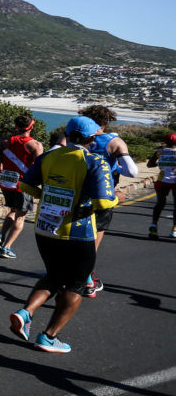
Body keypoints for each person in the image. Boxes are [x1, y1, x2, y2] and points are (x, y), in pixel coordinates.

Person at [9, 116, 116, 354]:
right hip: (77, 231)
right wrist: (117, 199)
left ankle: (25, 313)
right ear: (91, 139)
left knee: (54, 276)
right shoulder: (95, 161)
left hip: (45, 227)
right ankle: (49, 337)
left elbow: (25, 186)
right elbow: (104, 202)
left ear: (67, 134)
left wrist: (49, 197)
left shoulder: (48, 156)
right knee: (77, 283)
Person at [69, 105, 139, 296]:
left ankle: (67, 274)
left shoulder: (73, 137)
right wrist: (115, 168)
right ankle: (87, 280)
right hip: (101, 195)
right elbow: (133, 171)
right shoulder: (114, 142)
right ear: (106, 122)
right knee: (93, 241)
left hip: (74, 191)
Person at [0, 114, 44, 259]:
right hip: (23, 185)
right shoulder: (36, 145)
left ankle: (1, 235)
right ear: (31, 126)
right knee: (21, 217)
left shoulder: (4, 141)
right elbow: (40, 167)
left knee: (13, 210)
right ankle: (6, 248)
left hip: (6, 183)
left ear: (16, 127)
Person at [147, 133, 176, 239]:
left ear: (165, 141)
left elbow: (149, 164)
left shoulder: (159, 151)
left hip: (162, 180)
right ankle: (174, 230)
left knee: (160, 204)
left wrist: (159, 163)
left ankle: (154, 225)